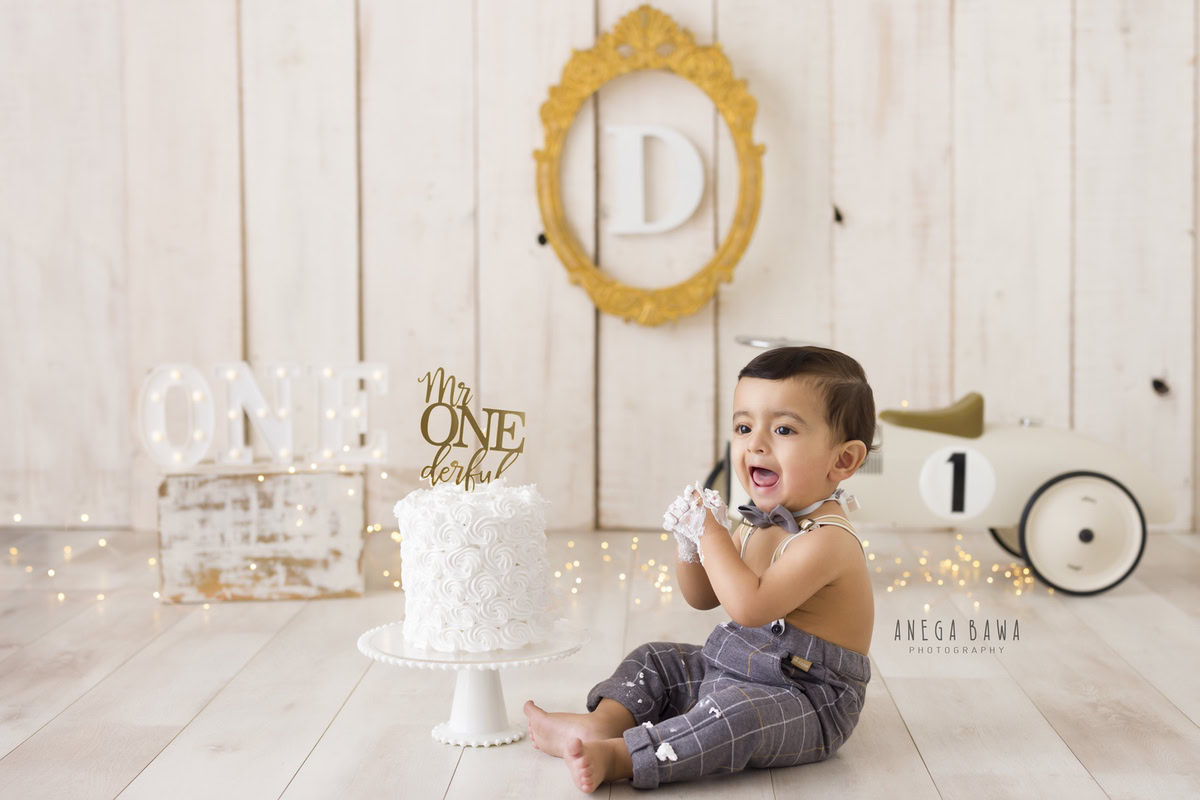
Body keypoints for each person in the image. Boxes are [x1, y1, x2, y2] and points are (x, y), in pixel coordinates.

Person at [523, 345, 880, 792]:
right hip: (730, 667)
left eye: (784, 429)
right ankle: (603, 724)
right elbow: (704, 596)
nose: (756, 444)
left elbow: (749, 608)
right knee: (657, 657)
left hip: (806, 698)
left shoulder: (827, 540)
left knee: (737, 717)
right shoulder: (756, 521)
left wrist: (712, 533)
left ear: (843, 460)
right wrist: (690, 542)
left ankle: (622, 756)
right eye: (744, 427)